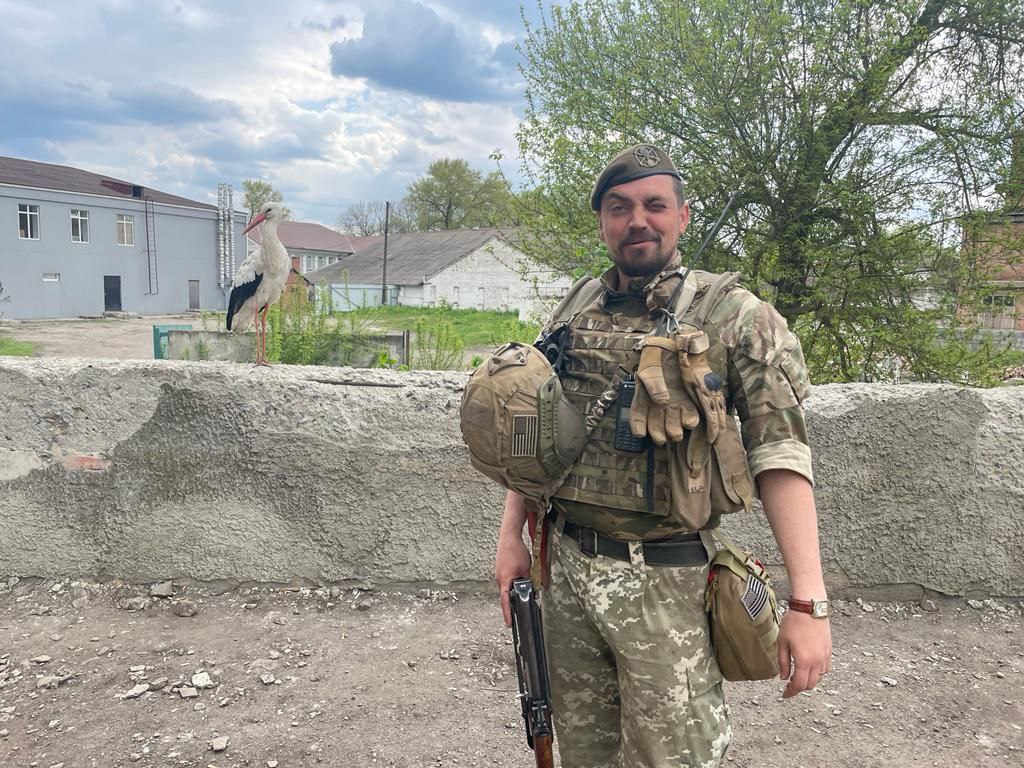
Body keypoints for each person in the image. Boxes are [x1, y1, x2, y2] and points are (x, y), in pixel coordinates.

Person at [493, 144, 832, 768]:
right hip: (565, 569)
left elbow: (781, 454)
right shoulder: (576, 307)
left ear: (683, 216)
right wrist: (511, 536)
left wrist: (808, 603)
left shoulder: (735, 317)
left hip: (667, 583)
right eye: (619, 207)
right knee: (583, 754)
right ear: (602, 220)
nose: (637, 221)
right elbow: (537, 436)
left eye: (654, 205)